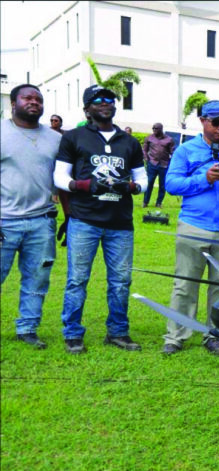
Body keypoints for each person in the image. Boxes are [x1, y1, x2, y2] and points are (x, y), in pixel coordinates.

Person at [53, 84, 147, 355]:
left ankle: (117, 332)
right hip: (84, 220)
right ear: (87, 108)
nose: (106, 102)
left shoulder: (129, 142)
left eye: (110, 99)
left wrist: (130, 187)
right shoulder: (74, 137)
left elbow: (142, 178)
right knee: (77, 279)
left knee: (120, 281)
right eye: (98, 99)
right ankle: (72, 334)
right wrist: (84, 185)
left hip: (120, 223)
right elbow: (60, 176)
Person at [162, 100, 219, 357]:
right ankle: (176, 336)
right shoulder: (186, 150)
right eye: (216, 122)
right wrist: (205, 179)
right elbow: (172, 184)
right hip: (194, 225)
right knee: (185, 285)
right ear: (203, 121)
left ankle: (215, 336)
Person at [1, 84, 62, 349]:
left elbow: (62, 180)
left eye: (38, 99)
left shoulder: (56, 138)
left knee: (37, 279)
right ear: (13, 103)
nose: (34, 102)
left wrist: (68, 215)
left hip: (42, 221)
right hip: (4, 220)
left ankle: (27, 328)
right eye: (28, 98)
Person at [142, 122, 175, 208]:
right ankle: (145, 202)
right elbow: (144, 150)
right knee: (149, 183)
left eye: (156, 128)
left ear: (161, 129)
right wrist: (146, 159)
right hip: (152, 164)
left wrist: (170, 163)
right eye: (153, 128)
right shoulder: (149, 138)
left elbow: (173, 152)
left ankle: (159, 203)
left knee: (162, 185)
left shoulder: (169, 139)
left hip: (164, 165)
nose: (154, 130)